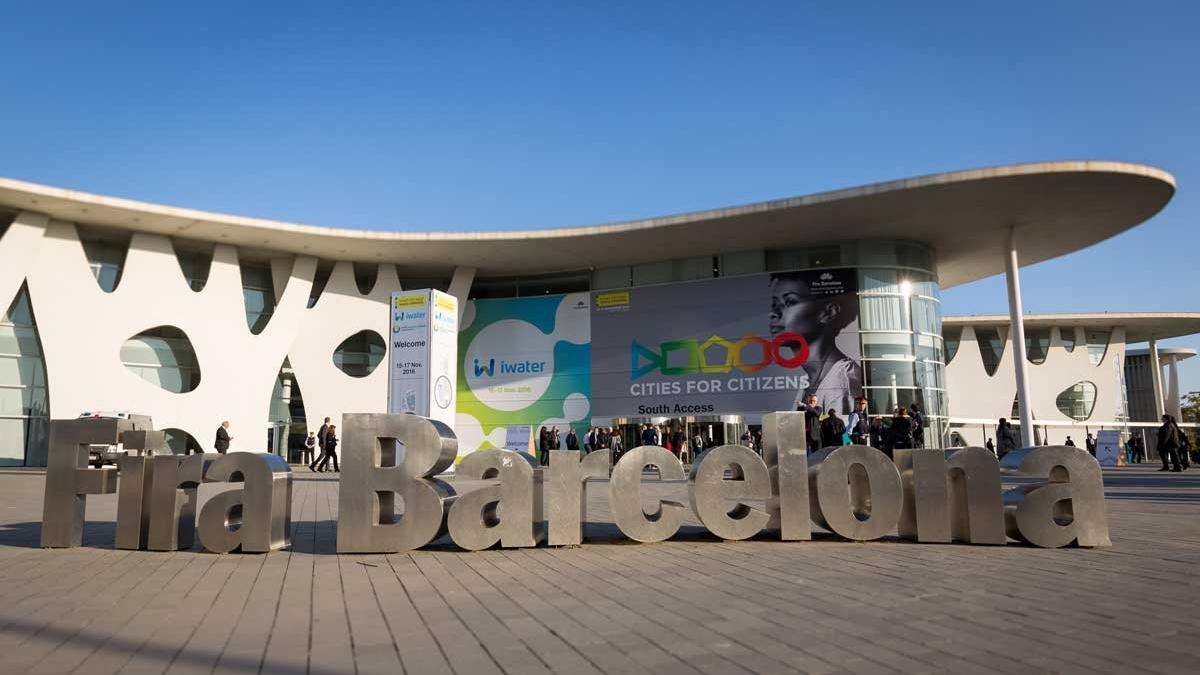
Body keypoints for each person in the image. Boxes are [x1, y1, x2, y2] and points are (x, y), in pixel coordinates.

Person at [769, 271, 863, 415]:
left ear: (828, 313)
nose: (773, 313)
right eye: (774, 304)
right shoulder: (808, 380)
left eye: (789, 302)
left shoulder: (843, 380)